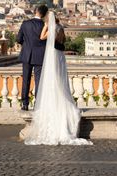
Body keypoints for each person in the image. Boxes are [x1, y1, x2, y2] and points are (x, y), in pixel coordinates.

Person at [24, 11, 92, 145]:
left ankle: (54, 104)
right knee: (60, 79)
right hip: (61, 56)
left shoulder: (52, 29)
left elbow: (42, 37)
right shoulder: (61, 28)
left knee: (52, 79)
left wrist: (45, 26)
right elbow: (64, 40)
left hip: (53, 56)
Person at [16, 4, 47, 111]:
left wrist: (26, 44)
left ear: (35, 12)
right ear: (44, 14)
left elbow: (18, 39)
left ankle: (25, 104)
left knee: (26, 80)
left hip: (27, 55)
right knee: (39, 81)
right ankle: (37, 104)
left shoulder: (25, 24)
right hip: (40, 56)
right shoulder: (45, 25)